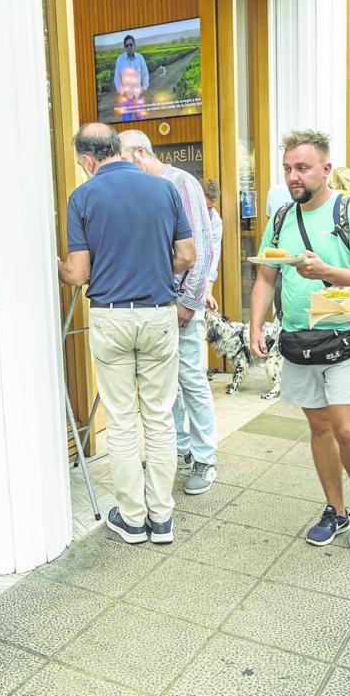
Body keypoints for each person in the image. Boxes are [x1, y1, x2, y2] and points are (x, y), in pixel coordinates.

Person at [58, 123, 195, 544]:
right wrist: (153, 265)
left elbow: (78, 273)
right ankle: (163, 519)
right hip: (158, 315)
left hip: (111, 316)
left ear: (86, 159)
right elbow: (186, 255)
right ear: (119, 148)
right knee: (159, 418)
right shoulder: (163, 188)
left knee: (119, 421)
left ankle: (133, 520)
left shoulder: (82, 197)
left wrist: (56, 266)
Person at [249, 129, 350, 550]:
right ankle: (335, 508)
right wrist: (256, 324)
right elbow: (265, 275)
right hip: (297, 339)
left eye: (302, 168)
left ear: (325, 169)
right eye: (288, 168)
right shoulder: (281, 219)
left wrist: (325, 270)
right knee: (320, 428)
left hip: (344, 336)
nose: (293, 176)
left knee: (346, 429)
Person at [119, 129, 219, 495]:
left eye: (126, 162)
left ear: (141, 153)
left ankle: (205, 457)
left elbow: (202, 248)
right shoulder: (141, 189)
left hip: (181, 303)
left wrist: (189, 303)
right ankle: (178, 448)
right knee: (165, 385)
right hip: (154, 304)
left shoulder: (182, 183)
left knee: (191, 379)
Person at [113, 35, 149, 122]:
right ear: (124, 47)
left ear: (134, 45)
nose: (129, 47)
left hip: (138, 95)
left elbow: (145, 74)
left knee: (140, 120)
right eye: (127, 45)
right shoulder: (120, 59)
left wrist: (144, 88)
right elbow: (117, 77)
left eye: (131, 45)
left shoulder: (140, 58)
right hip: (126, 96)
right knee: (126, 122)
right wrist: (121, 91)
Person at [201, 177, 223, 311]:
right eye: (205, 206)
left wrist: (208, 292)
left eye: (210, 207)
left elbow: (213, 258)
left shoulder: (215, 221)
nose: (207, 211)